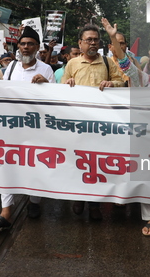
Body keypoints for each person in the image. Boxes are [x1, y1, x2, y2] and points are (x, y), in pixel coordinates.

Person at [103, 18, 150, 236]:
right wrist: (112, 37)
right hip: (141, 137)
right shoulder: (140, 78)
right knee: (145, 174)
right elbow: (124, 61)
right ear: (149, 66)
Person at [0, 26, 55, 229]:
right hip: (12, 127)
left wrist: (46, 84)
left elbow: (55, 101)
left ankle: (34, 201)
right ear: (18, 46)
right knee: (7, 164)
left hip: (36, 127)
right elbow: (2, 93)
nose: (26, 47)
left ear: (38, 47)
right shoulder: (11, 68)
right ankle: (6, 212)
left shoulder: (46, 70)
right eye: (22, 44)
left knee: (35, 163)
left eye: (30, 44)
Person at [62, 23, 125, 220]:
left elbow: (122, 82)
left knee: (96, 164)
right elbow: (61, 86)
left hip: (101, 125)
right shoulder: (72, 64)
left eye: (95, 39)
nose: (92, 42)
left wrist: (111, 84)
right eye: (88, 39)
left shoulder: (108, 62)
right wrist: (67, 83)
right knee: (78, 162)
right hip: (78, 126)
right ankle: (80, 197)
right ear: (80, 44)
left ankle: (94, 204)